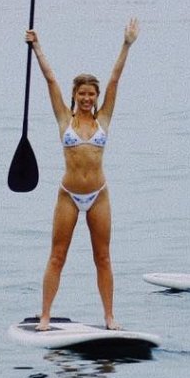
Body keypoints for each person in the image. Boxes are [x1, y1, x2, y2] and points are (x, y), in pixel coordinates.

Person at [25, 19, 139, 330]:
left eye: (91, 94)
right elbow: (50, 79)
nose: (87, 99)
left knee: (103, 258)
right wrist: (36, 47)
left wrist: (126, 44)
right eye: (82, 94)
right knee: (57, 256)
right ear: (75, 95)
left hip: (99, 195)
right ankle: (45, 316)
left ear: (96, 97)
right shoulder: (65, 118)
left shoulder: (104, 118)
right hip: (69, 196)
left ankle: (109, 317)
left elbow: (115, 78)